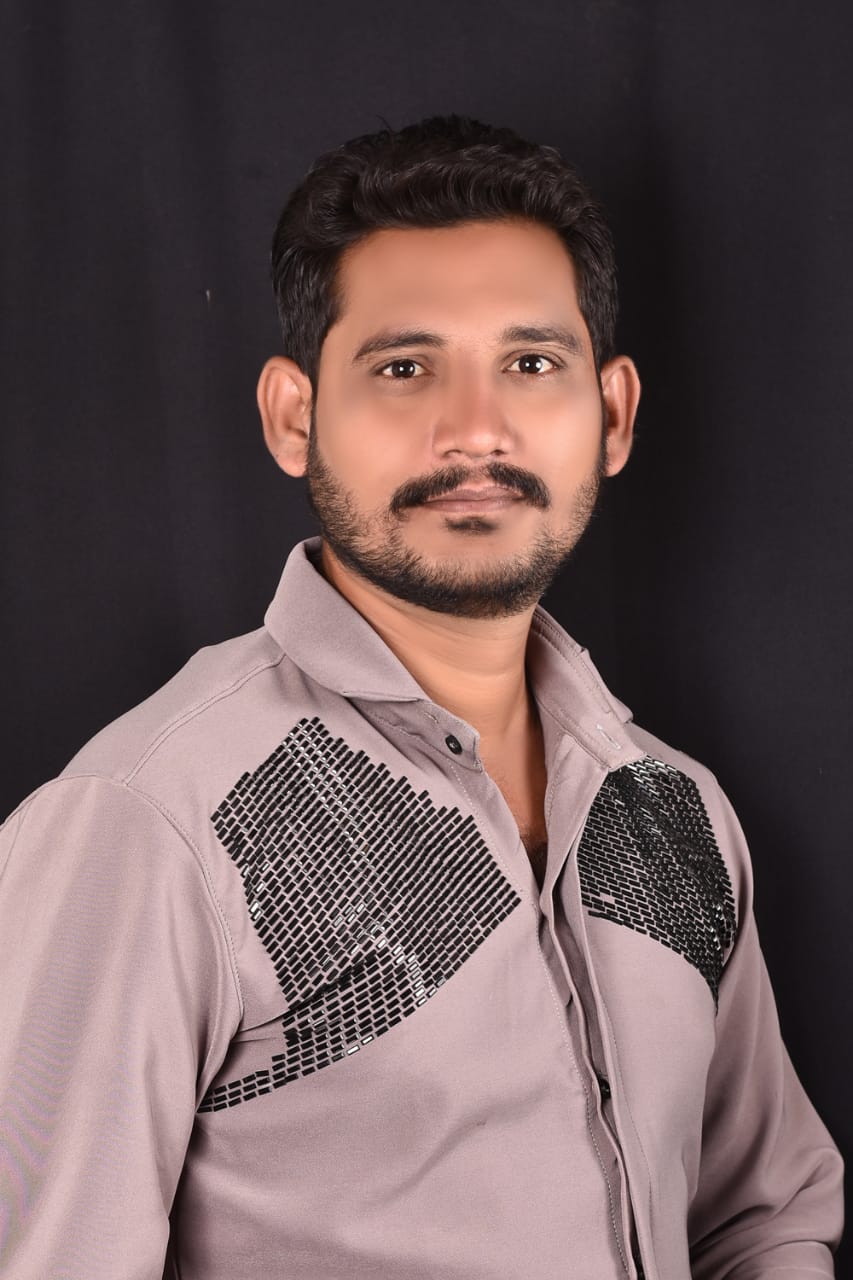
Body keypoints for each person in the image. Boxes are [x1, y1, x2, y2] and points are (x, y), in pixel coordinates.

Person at [0, 116, 842, 1279]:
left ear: (613, 413)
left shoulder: (670, 809)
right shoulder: (149, 824)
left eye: (530, 363)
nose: (474, 429)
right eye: (404, 367)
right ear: (294, 415)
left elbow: (759, 1215)